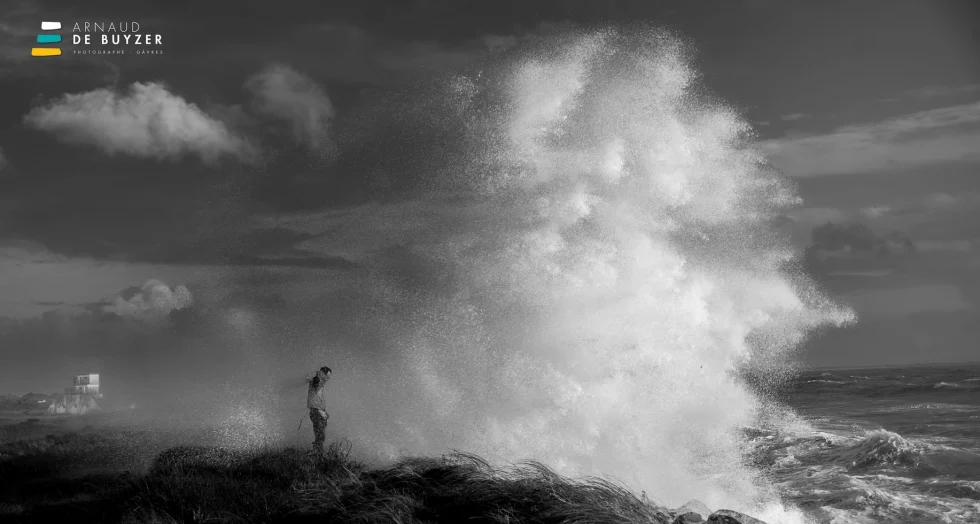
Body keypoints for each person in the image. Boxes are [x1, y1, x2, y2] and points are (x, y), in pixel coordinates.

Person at [306, 366, 332, 453]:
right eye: (327, 376)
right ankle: (317, 452)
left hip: (319, 411)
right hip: (316, 411)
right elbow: (307, 378)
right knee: (320, 434)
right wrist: (319, 411)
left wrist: (323, 410)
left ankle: (318, 451)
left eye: (329, 377)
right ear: (322, 374)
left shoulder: (321, 382)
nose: (328, 378)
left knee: (320, 434)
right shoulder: (316, 381)